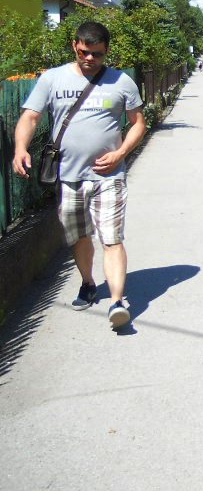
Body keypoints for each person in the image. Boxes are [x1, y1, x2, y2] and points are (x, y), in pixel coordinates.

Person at [12, 21, 146, 330]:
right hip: (69, 178)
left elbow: (138, 122)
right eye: (85, 53)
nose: (90, 60)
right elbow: (30, 116)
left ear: (106, 51)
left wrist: (121, 153)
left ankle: (116, 302)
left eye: (97, 55)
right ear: (75, 45)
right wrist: (21, 147)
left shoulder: (121, 81)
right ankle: (88, 283)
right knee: (79, 236)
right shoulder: (52, 78)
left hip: (109, 176)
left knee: (112, 239)